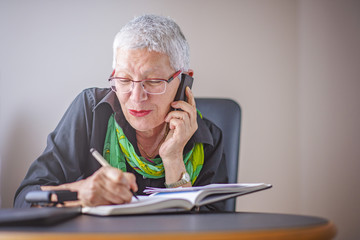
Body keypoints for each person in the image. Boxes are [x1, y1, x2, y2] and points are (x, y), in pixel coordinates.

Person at [14, 14, 228, 209]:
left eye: (153, 81)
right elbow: (25, 199)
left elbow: (213, 229)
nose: (136, 97)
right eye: (124, 80)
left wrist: (173, 159)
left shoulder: (208, 139)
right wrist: (79, 193)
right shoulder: (91, 112)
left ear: (183, 80)